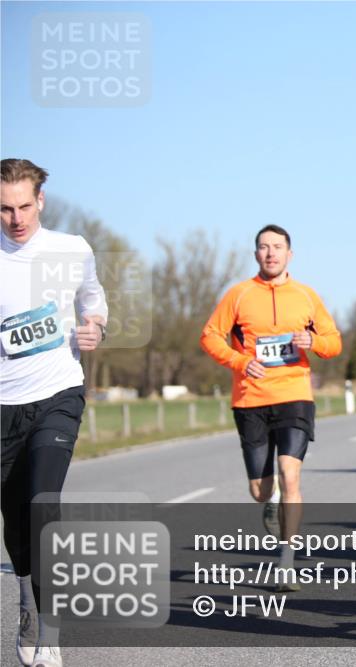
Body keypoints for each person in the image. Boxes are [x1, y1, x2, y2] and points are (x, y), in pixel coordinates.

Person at [2, 158, 108, 667]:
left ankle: (50, 629)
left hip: (58, 392)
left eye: (24, 206)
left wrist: (96, 328)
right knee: (16, 520)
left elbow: (93, 299)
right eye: (4, 209)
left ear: (40, 200)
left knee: (44, 503)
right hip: (3, 404)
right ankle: (27, 600)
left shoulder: (71, 249)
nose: (16, 218)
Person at [201, 224, 342, 589]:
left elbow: (333, 342)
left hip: (295, 395)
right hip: (251, 399)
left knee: (290, 474)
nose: (271, 253)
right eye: (264, 247)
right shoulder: (239, 295)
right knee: (260, 490)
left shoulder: (306, 296)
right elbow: (210, 336)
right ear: (256, 255)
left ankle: (286, 562)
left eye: (277, 247)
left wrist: (312, 340)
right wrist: (238, 361)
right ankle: (270, 499)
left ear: (289, 254)